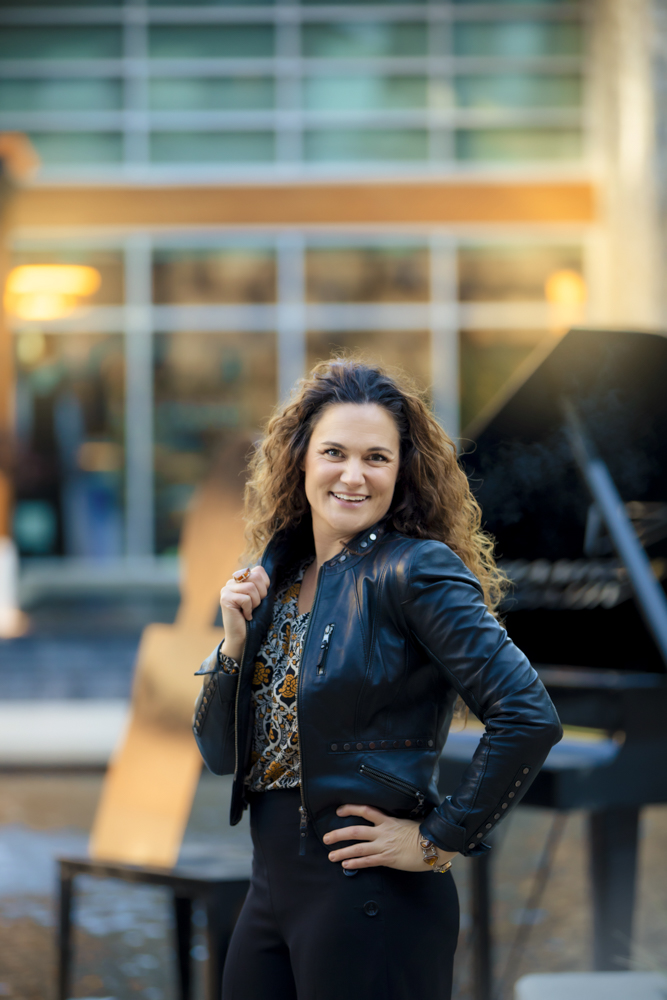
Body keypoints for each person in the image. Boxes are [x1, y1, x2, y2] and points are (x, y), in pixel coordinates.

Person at [193, 357, 562, 1000]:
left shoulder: (416, 570)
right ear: (301, 460)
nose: (353, 475)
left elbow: (528, 715)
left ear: (403, 470)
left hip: (371, 898)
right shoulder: (277, 575)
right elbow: (220, 754)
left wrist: (437, 840)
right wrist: (233, 642)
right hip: (269, 890)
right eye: (334, 452)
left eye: (377, 458)